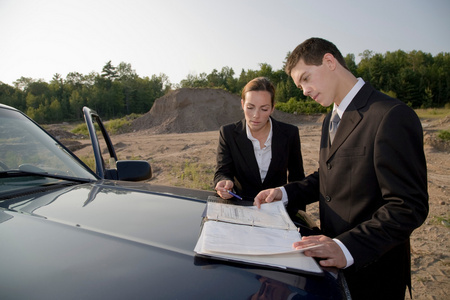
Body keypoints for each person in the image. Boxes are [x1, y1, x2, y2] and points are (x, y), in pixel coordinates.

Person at [254, 38, 428, 299]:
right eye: (299, 85)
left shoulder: (390, 115)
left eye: (305, 79)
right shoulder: (330, 120)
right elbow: (329, 176)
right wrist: (284, 193)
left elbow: (408, 206)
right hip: (336, 266)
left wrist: (345, 247)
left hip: (374, 272)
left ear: (329, 61)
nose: (303, 90)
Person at [214, 77, 305, 209]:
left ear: (273, 108)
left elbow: (297, 179)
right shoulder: (228, 133)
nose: (256, 115)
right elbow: (222, 171)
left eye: (264, 109)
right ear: (242, 104)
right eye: (250, 107)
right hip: (241, 208)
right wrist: (223, 183)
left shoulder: (290, 133)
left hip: (278, 210)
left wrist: (299, 216)